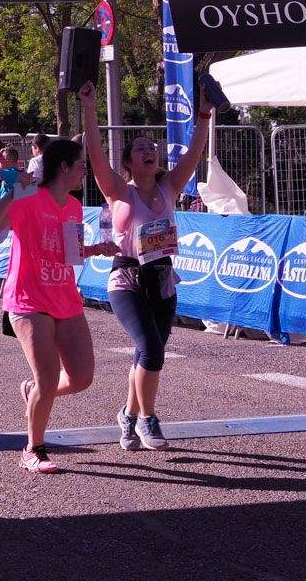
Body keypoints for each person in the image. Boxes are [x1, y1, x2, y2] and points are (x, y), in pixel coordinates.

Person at [79, 80, 211, 452]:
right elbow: (96, 156)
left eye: (152, 147)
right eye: (140, 148)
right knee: (151, 349)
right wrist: (90, 108)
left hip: (164, 279)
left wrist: (204, 113)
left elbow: (196, 151)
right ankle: (147, 420)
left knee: (146, 354)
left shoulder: (170, 186)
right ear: (128, 163)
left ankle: (127, 413)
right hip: (127, 279)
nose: (149, 150)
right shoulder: (119, 190)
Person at [0, 135, 116, 474]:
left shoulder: (72, 207)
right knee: (48, 376)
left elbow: (68, 254)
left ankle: (34, 393)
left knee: (82, 377)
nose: (85, 171)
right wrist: (13, 191)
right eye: (81, 165)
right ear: (64, 167)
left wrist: (95, 250)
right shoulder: (29, 198)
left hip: (65, 298)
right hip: (27, 299)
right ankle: (33, 449)